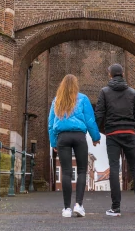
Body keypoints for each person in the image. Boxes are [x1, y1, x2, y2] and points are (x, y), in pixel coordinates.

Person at [95, 63, 135, 216]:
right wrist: (133, 130)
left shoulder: (104, 92)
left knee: (114, 169)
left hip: (112, 135)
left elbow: (99, 114)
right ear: (122, 74)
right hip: (129, 132)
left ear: (109, 74)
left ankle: (115, 208)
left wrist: (98, 132)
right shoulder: (133, 92)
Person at [48, 74, 101, 218]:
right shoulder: (83, 98)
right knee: (82, 170)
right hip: (79, 137)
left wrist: (54, 143)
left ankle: (66, 209)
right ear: (76, 85)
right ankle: (79, 205)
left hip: (62, 137)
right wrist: (96, 137)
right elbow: (90, 120)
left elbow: (51, 124)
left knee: (65, 172)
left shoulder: (56, 101)